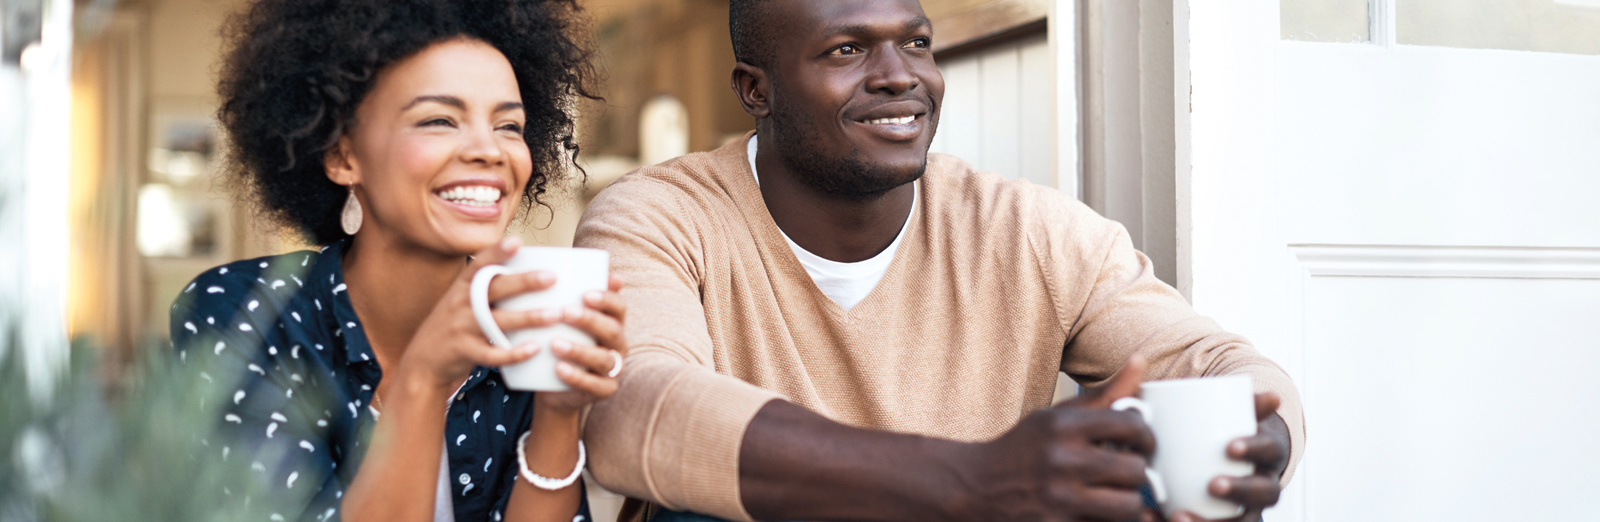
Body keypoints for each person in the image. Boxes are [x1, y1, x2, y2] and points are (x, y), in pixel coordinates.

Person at [573, 0, 1305, 521]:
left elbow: (1217, 360)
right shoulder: (658, 215)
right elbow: (635, 411)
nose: (900, 75)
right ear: (755, 90)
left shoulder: (1027, 230)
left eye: (915, 43)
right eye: (845, 50)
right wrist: (975, 478)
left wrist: (1259, 439)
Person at [169, 1, 627, 521]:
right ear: (343, 157)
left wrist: (558, 414)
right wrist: (424, 377)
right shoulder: (245, 312)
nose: (489, 150)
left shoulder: (517, 324)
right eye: (438, 120)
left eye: (509, 126)